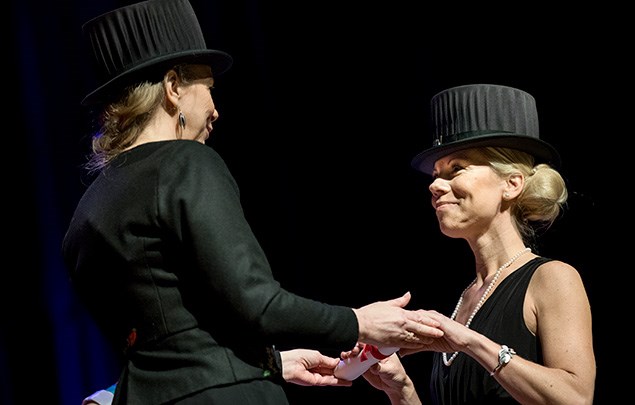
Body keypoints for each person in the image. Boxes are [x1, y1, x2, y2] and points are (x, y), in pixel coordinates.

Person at [61, 0, 443, 404]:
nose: (215, 110)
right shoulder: (186, 163)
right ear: (173, 87)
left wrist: (272, 364)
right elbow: (257, 303)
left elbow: (172, 342)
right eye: (208, 89)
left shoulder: (86, 212)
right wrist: (359, 322)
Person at [349, 84, 596, 404]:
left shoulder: (552, 279)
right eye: (436, 174)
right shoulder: (467, 297)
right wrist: (402, 391)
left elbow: (576, 398)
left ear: (511, 183)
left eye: (456, 169)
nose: (435, 185)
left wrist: (469, 341)